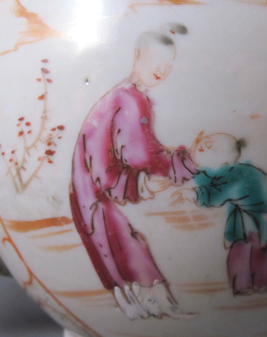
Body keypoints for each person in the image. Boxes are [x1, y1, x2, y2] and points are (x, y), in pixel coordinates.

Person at [70, 24, 195, 320]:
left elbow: (142, 150)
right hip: (95, 183)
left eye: (167, 65)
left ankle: (148, 302)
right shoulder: (128, 98)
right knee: (113, 237)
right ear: (138, 55)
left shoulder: (130, 95)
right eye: (155, 61)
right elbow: (139, 153)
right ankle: (141, 302)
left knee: (117, 238)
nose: (161, 70)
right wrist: (181, 163)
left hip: (93, 183)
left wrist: (172, 164)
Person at [171, 132, 267, 295]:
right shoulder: (234, 171)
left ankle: (262, 285)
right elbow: (210, 182)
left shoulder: (239, 175)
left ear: (221, 159)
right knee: (243, 250)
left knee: (261, 253)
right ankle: (245, 286)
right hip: (250, 222)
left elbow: (217, 195)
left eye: (202, 150)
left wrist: (192, 195)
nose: (196, 156)